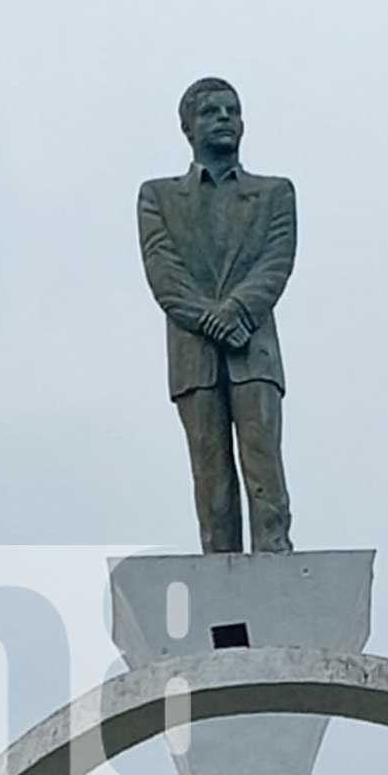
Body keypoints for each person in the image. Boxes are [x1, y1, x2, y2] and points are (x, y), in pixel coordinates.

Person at [137, 77, 297, 554]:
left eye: (232, 110)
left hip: (254, 349)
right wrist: (211, 319)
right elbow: (162, 270)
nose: (225, 118)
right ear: (188, 128)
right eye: (211, 112)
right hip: (195, 355)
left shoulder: (275, 193)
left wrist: (238, 312)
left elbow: (276, 259)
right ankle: (220, 566)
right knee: (210, 474)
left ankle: (274, 556)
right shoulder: (158, 196)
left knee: (264, 461)